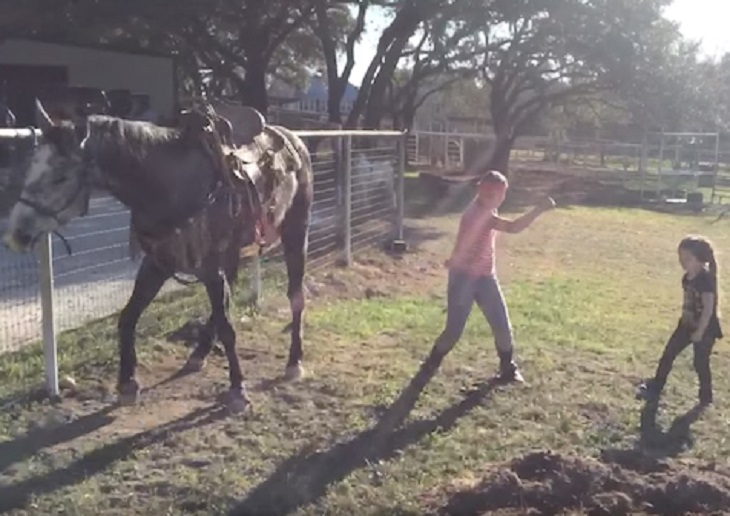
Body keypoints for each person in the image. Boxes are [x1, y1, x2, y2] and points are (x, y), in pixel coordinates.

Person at [439, 170, 555, 383]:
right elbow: (512, 227)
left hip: (485, 277)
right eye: (489, 193)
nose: (495, 198)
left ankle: (508, 367)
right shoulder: (478, 213)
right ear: (479, 191)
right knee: (453, 332)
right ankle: (431, 364)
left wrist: (454, 256)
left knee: (502, 325)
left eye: (499, 194)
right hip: (463, 278)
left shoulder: (488, 207)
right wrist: (539, 209)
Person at [637, 235, 722, 406]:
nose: (682, 262)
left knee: (700, 363)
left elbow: (708, 309)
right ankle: (656, 386)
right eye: (680, 257)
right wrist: (685, 322)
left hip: (704, 329)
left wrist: (699, 332)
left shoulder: (705, 280)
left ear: (700, 260)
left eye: (687, 258)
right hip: (686, 325)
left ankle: (706, 396)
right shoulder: (687, 277)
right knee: (668, 354)